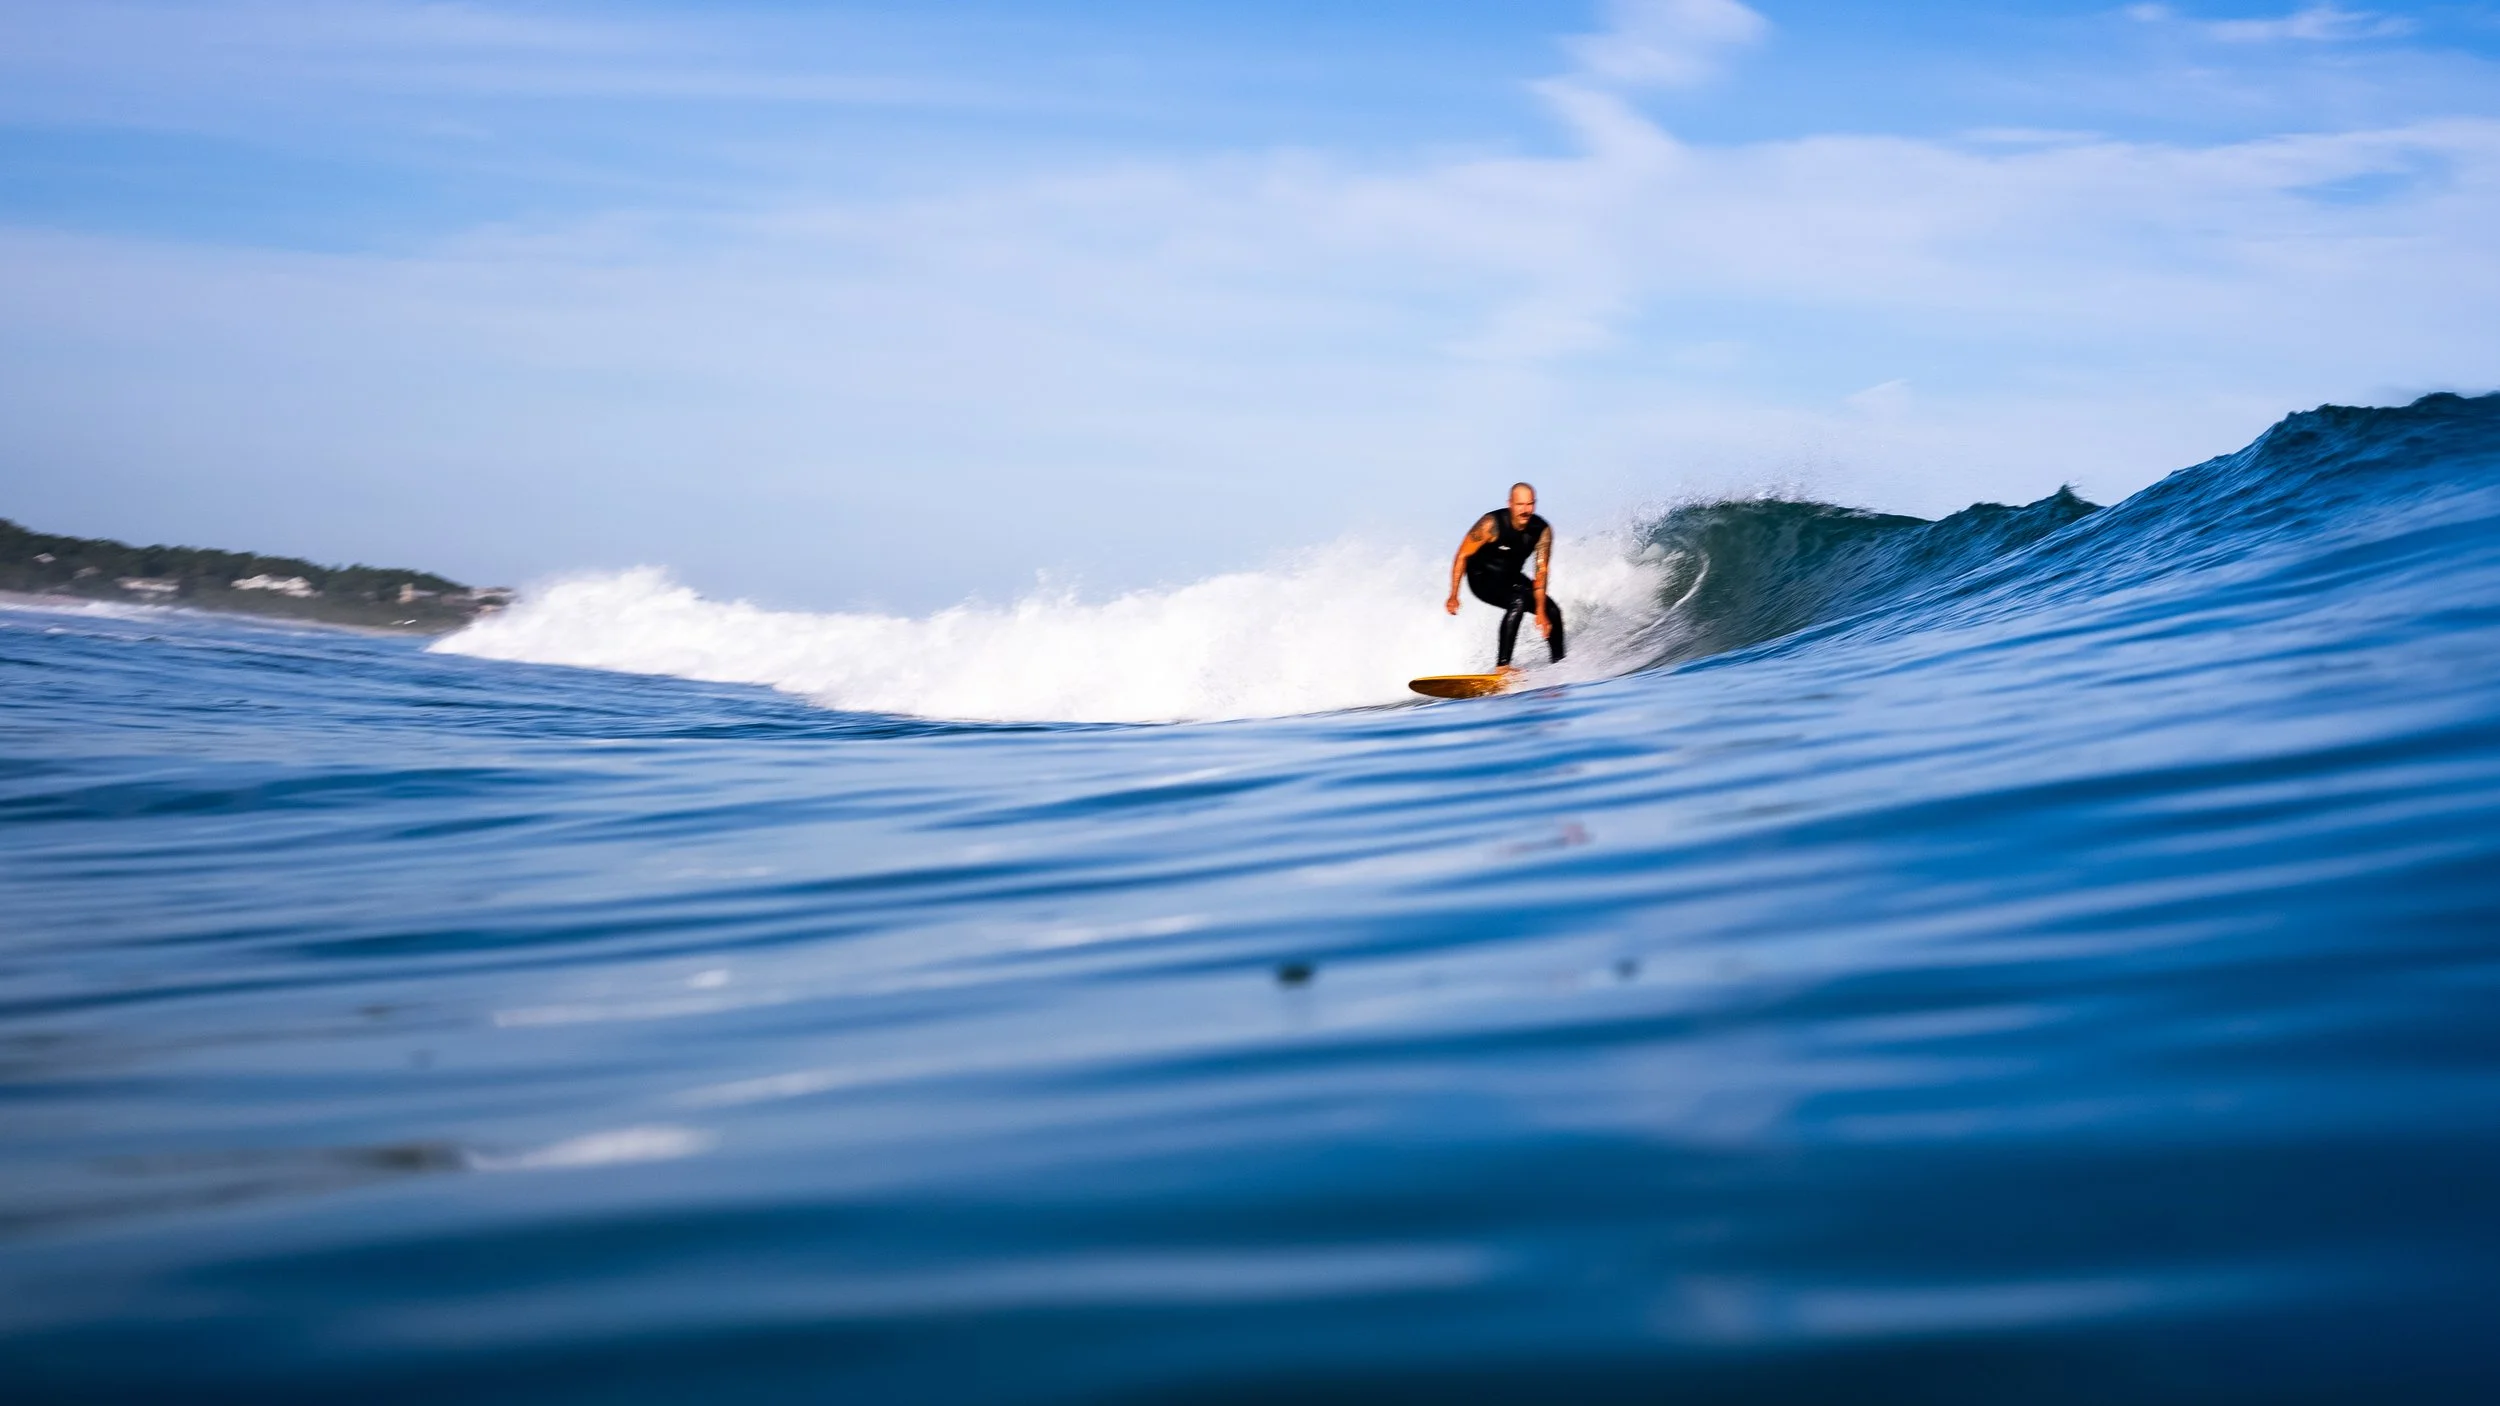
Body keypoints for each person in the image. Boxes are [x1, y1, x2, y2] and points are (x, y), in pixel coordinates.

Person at [1445, 482, 1566, 669]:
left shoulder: (1541, 530)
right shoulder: (1491, 524)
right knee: (1518, 601)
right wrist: (1454, 595)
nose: (1525, 510)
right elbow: (1462, 555)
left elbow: (1541, 572)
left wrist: (1540, 611)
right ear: (1510, 504)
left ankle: (1560, 664)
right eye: (1520, 505)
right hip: (1481, 579)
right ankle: (1503, 667)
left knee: (1552, 611)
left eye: (1530, 504)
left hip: (1511, 578)